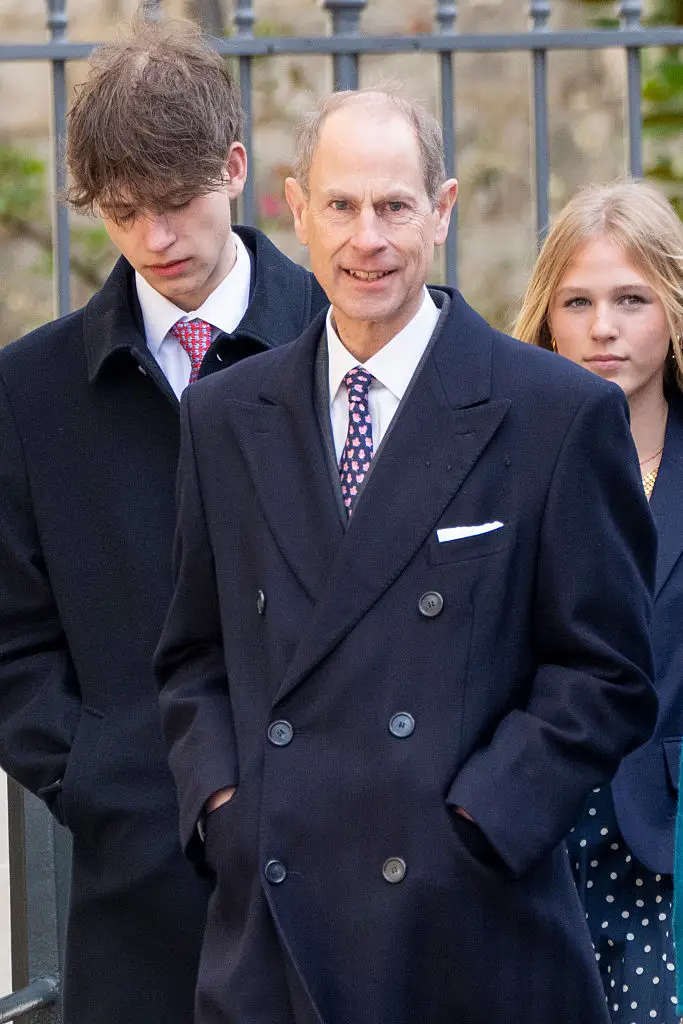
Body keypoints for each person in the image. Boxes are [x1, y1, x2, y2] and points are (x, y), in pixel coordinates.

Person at [155, 90, 658, 1024]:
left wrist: (478, 821)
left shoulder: (552, 412)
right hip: (273, 928)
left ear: (443, 208)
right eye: (341, 207)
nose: (367, 239)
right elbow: (192, 656)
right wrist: (226, 805)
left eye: (394, 206)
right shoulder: (224, 417)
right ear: (295, 211)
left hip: (469, 931)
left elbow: (605, 672)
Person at [0, 18, 327, 1024]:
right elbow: (11, 638)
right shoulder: (30, 390)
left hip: (343, 868)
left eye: (177, 205)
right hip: (135, 888)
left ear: (234, 167)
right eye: (121, 212)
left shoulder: (345, 344)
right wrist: (108, 778)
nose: (153, 240)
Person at [515, 179, 683, 1023]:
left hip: (669, 849)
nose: (602, 327)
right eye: (576, 301)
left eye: (630, 299)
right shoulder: (502, 462)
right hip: (533, 835)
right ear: (546, 314)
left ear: (672, 310)